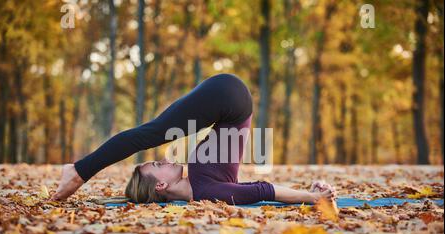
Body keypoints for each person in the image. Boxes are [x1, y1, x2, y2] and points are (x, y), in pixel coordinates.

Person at [52, 74, 336, 204]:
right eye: (155, 164)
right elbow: (263, 190)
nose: (161, 158)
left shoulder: (198, 180)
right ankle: (78, 171)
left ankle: (79, 170)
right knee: (152, 132)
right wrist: (311, 196)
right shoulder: (208, 190)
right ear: (161, 184)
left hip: (225, 96)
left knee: (154, 131)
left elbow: (261, 188)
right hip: (229, 97)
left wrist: (309, 195)